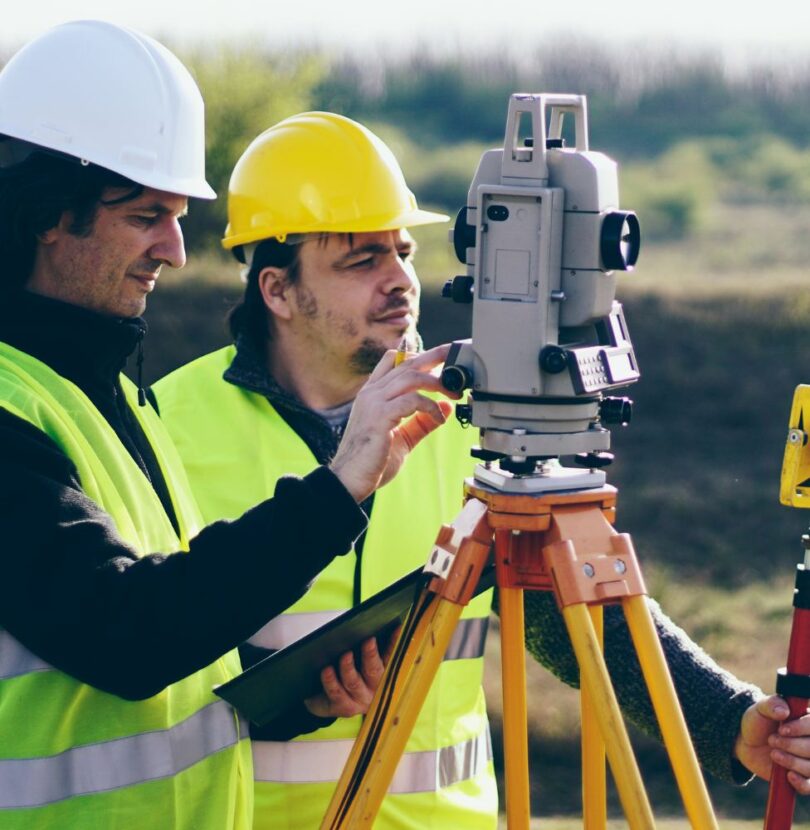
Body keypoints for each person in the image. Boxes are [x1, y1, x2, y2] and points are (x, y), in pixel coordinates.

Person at [154, 111, 810, 829]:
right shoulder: (167, 427)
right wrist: (293, 701)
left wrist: (728, 721)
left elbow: (567, 620)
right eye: (361, 261)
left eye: (402, 252)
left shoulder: (469, 421)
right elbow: (143, 651)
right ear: (277, 291)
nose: (400, 281)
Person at [0, 24, 452, 830]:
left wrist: (290, 695)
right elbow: (122, 634)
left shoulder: (110, 400)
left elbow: (166, 665)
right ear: (47, 216)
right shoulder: (14, 410)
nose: (176, 249)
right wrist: (339, 488)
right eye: (147, 215)